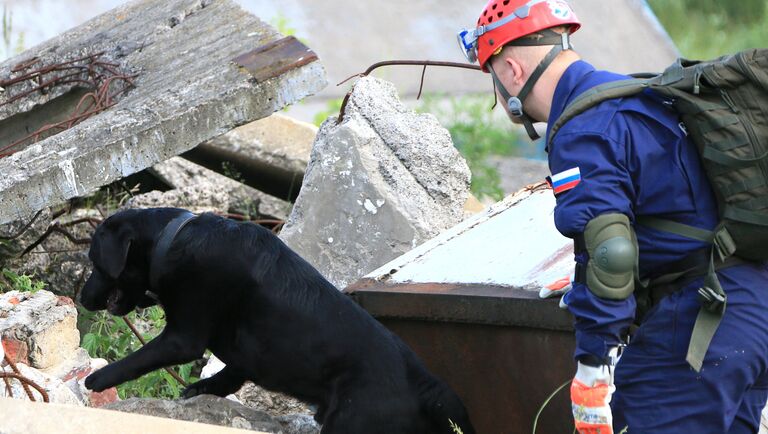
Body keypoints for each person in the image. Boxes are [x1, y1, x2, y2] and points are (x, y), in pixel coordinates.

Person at [457, 0, 768, 432]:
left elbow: (612, 252)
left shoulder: (583, 129)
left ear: (512, 70)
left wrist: (592, 363)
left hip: (698, 329)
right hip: (750, 312)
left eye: (494, 77)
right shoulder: (636, 98)